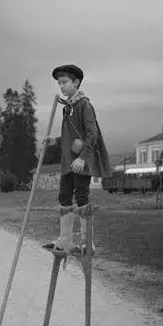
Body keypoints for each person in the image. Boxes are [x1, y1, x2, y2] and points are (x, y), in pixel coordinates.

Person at [42, 64, 113, 254]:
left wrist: (82, 158)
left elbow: (92, 134)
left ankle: (87, 242)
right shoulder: (68, 108)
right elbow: (69, 135)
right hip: (67, 162)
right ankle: (65, 240)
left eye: (64, 82)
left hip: (81, 161)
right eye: (59, 83)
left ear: (76, 82)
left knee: (82, 196)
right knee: (64, 196)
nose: (61, 87)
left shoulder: (84, 105)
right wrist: (54, 141)